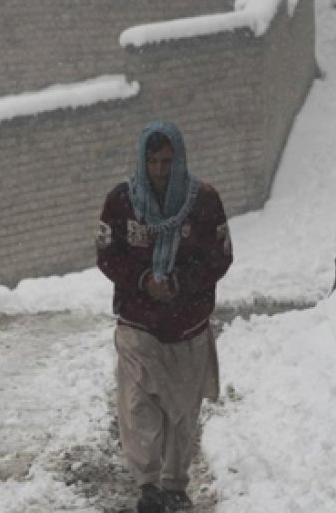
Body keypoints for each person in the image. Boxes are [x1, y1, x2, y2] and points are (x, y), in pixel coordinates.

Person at [95, 121, 232, 513]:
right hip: (138, 322)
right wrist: (142, 281)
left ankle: (174, 483)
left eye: (167, 162)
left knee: (183, 411)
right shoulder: (122, 203)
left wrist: (180, 283)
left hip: (187, 323)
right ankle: (147, 484)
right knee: (138, 404)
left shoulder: (204, 202)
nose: (159, 170)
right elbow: (107, 255)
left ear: (180, 160)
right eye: (152, 161)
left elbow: (219, 257)